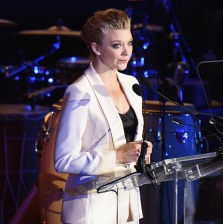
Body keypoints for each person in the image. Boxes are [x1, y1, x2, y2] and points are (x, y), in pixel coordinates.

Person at [53, 8, 153, 224]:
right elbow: (63, 160)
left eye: (129, 43)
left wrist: (140, 151)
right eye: (117, 45)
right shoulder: (80, 91)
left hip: (127, 207)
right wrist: (117, 156)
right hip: (91, 210)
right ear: (96, 48)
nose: (127, 52)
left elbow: (126, 140)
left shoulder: (132, 84)